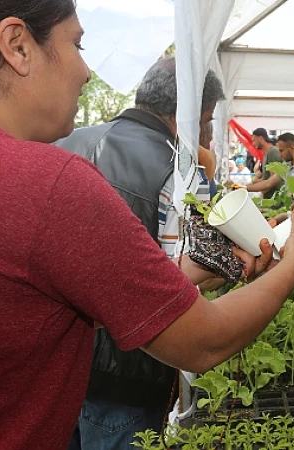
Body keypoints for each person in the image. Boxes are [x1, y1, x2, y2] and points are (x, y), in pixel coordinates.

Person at [0, 2, 294, 449]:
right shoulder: (46, 179)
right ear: (17, 46)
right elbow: (203, 342)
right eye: (76, 44)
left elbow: (21, 312)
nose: (86, 72)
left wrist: (178, 280)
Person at [55, 57, 225, 450]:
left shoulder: (68, 140)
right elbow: (179, 277)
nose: (207, 128)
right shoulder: (182, 169)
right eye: (208, 118)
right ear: (190, 113)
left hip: (60, 362)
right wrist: (228, 262)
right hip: (131, 370)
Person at [246, 127, 284, 198]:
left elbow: (272, 180)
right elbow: (265, 178)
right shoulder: (267, 154)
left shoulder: (272, 152)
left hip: (274, 198)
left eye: (254, 140)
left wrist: (258, 191)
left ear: (260, 138)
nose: (253, 144)